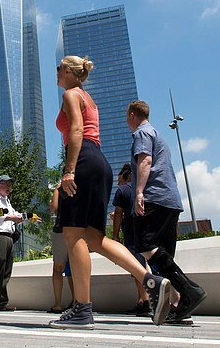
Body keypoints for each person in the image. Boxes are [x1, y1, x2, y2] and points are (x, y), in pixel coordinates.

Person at [49, 56, 176, 330]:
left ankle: (82, 309)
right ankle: (149, 280)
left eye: (59, 68)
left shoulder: (71, 94)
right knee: (94, 238)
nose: (56, 72)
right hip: (99, 163)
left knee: (73, 235)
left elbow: (76, 130)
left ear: (70, 72)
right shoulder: (88, 97)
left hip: (82, 161)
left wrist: (69, 171)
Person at [128, 100, 207, 322]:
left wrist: (140, 193)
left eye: (128, 117)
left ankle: (189, 290)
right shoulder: (158, 134)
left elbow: (145, 161)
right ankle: (179, 303)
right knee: (163, 253)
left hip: (154, 197)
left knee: (144, 245)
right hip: (171, 200)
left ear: (132, 115)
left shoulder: (142, 133)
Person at [112, 163, 150, 316]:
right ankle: (141, 300)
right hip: (147, 231)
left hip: (131, 233)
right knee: (145, 264)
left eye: (119, 180)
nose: (118, 184)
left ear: (126, 177)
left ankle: (145, 300)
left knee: (136, 267)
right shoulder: (139, 190)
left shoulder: (122, 191)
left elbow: (118, 213)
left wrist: (115, 235)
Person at [0, 175, 24, 312]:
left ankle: (1, 301)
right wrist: (11, 217)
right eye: (6, 184)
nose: (9, 188)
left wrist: (27, 216)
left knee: (6, 269)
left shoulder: (6, 201)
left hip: (8, 236)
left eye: (10, 185)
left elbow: (13, 213)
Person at [48, 185, 75, 313]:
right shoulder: (83, 186)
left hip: (61, 228)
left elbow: (53, 208)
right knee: (76, 267)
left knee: (58, 268)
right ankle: (78, 302)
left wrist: (56, 190)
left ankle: (58, 304)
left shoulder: (61, 189)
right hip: (78, 229)